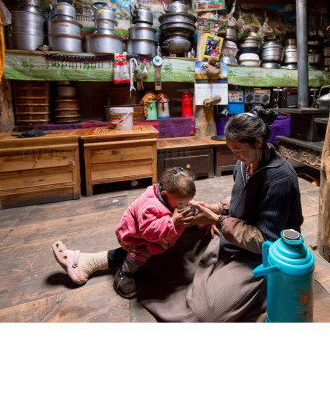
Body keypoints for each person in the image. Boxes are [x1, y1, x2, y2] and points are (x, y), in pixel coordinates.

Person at [52, 106, 303, 322]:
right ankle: (92, 260)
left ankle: (221, 280)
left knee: (205, 313)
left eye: (237, 149)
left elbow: (266, 241)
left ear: (259, 142)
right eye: (231, 149)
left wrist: (217, 219)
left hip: (261, 258)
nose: (234, 156)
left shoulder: (279, 178)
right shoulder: (245, 162)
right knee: (166, 230)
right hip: (231, 234)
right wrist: (217, 208)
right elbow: (242, 199)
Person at [52, 167, 197, 299]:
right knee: (142, 252)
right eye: (182, 203)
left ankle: (84, 261)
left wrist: (203, 223)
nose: (185, 206)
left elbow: (190, 206)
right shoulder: (149, 206)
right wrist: (172, 222)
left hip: (158, 232)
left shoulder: (174, 196)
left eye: (187, 201)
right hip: (134, 237)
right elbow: (149, 232)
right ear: (165, 195)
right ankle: (125, 273)